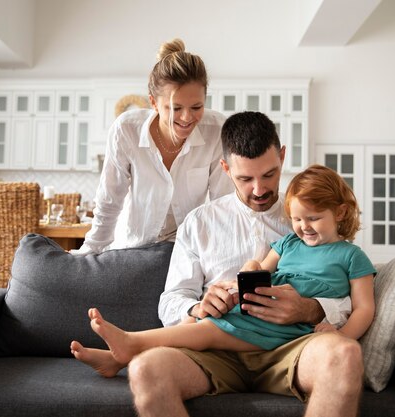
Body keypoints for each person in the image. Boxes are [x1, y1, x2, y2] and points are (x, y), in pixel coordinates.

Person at [73, 112, 366, 417]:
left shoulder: (309, 218)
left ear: (282, 157)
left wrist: (313, 308)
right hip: (216, 347)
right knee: (147, 369)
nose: (259, 189)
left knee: (344, 355)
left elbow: (345, 283)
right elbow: (171, 300)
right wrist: (197, 307)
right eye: (245, 178)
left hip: (293, 345)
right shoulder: (200, 223)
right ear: (225, 169)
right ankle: (128, 350)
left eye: (269, 174)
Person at [70, 164, 375, 373]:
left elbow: (364, 309)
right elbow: (260, 268)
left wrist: (343, 334)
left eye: (313, 218)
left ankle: (131, 343)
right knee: (202, 317)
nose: (303, 227)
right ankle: (118, 357)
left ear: (340, 212)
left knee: (207, 333)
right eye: (297, 219)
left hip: (287, 328)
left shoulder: (351, 256)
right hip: (258, 310)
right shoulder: (289, 243)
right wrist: (245, 276)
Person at [72, 38, 232, 253]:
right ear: (154, 103)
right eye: (175, 108)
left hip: (186, 250)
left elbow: (221, 205)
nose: (186, 118)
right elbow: (110, 201)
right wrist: (89, 251)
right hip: (131, 246)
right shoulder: (126, 129)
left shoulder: (217, 130)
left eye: (196, 106)